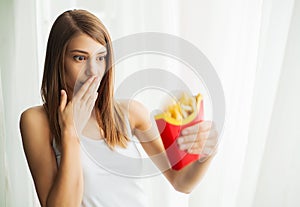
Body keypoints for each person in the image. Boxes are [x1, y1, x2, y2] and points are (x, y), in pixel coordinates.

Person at [19, 9, 219, 207]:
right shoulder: (36, 121)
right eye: (80, 58)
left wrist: (206, 154)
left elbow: (181, 181)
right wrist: (71, 132)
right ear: (58, 61)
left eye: (100, 57)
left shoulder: (130, 113)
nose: (93, 71)